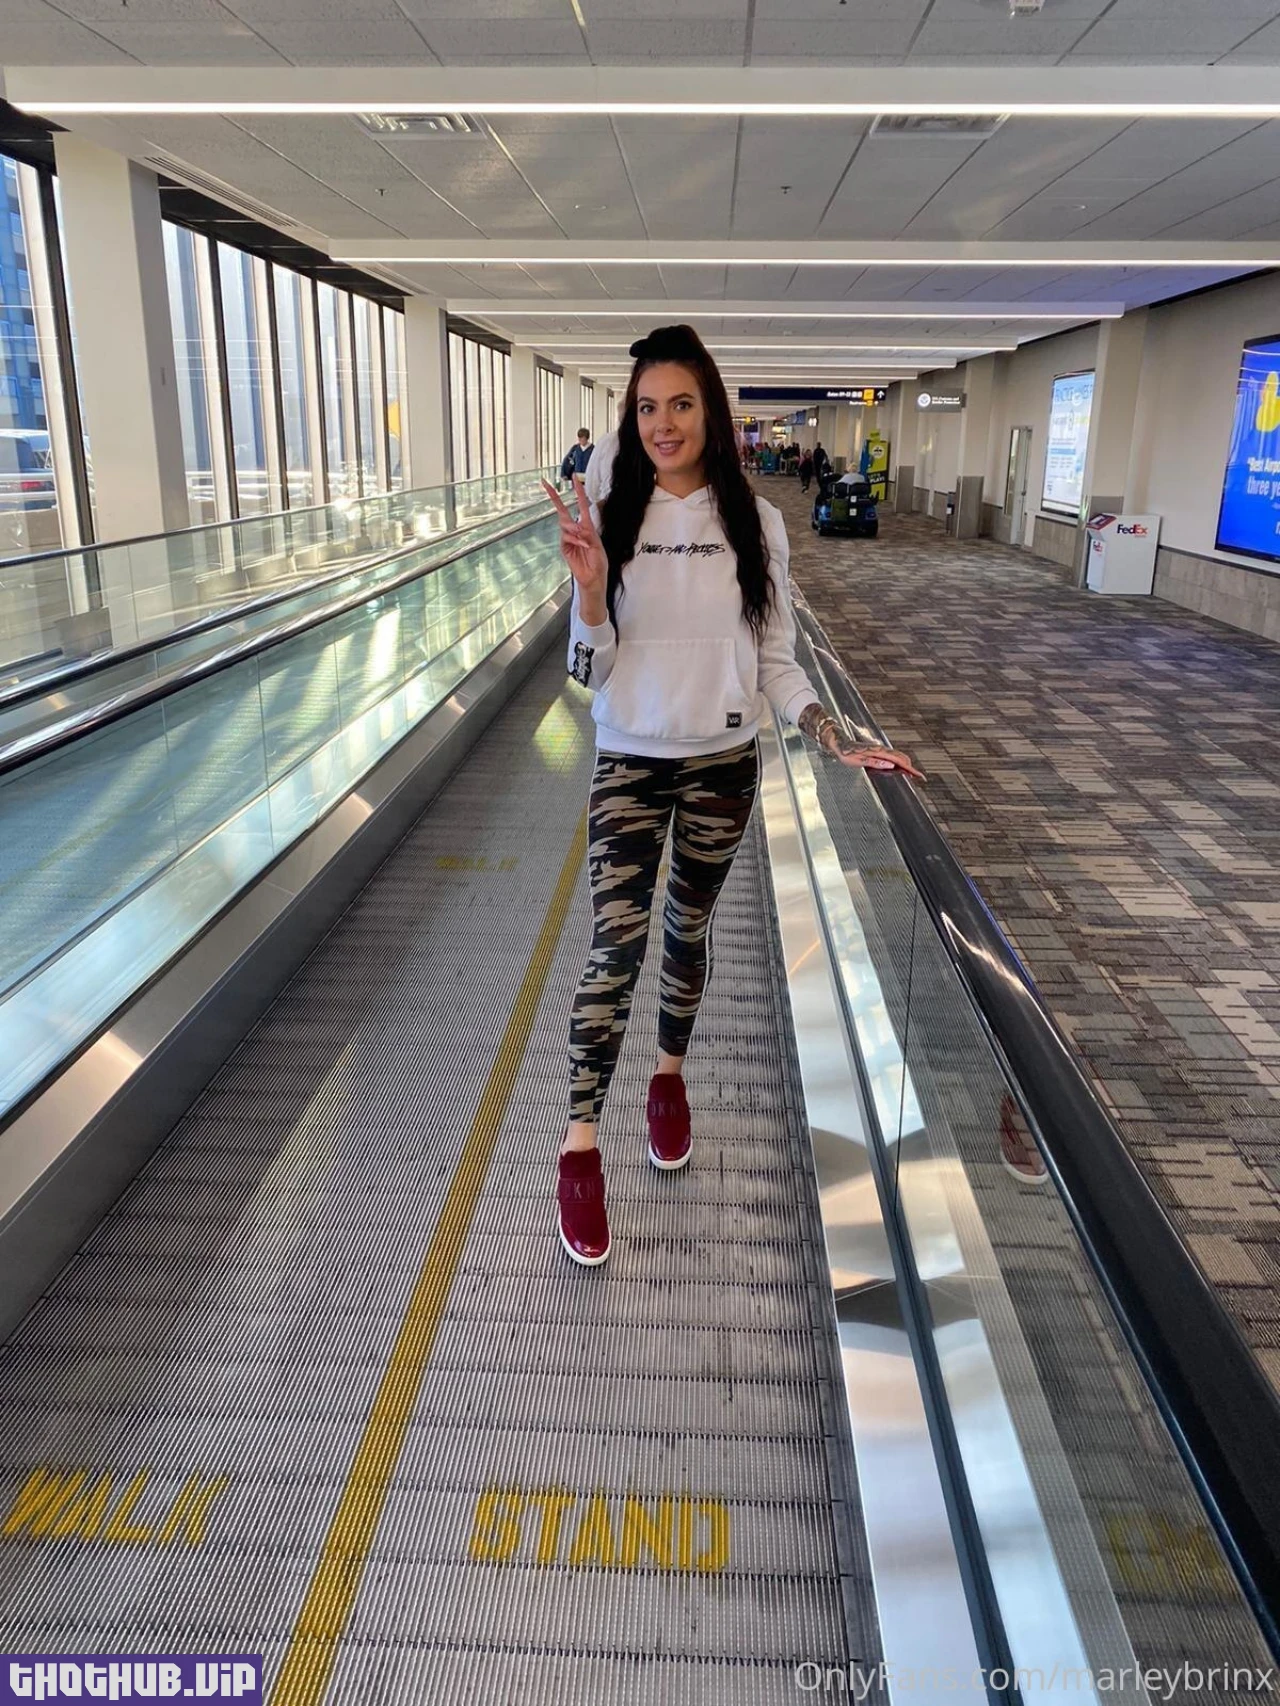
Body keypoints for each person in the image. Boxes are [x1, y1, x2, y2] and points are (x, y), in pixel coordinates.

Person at [541, 323, 924, 1267]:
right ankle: (579, 1145)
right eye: (647, 408)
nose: (664, 423)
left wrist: (833, 734)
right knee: (615, 947)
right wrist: (589, 595)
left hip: (722, 763)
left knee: (688, 931)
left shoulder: (756, 525)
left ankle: (667, 1077)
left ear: (709, 410)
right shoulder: (609, 518)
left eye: (681, 404)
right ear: (631, 420)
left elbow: (777, 662)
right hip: (630, 761)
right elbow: (586, 677)